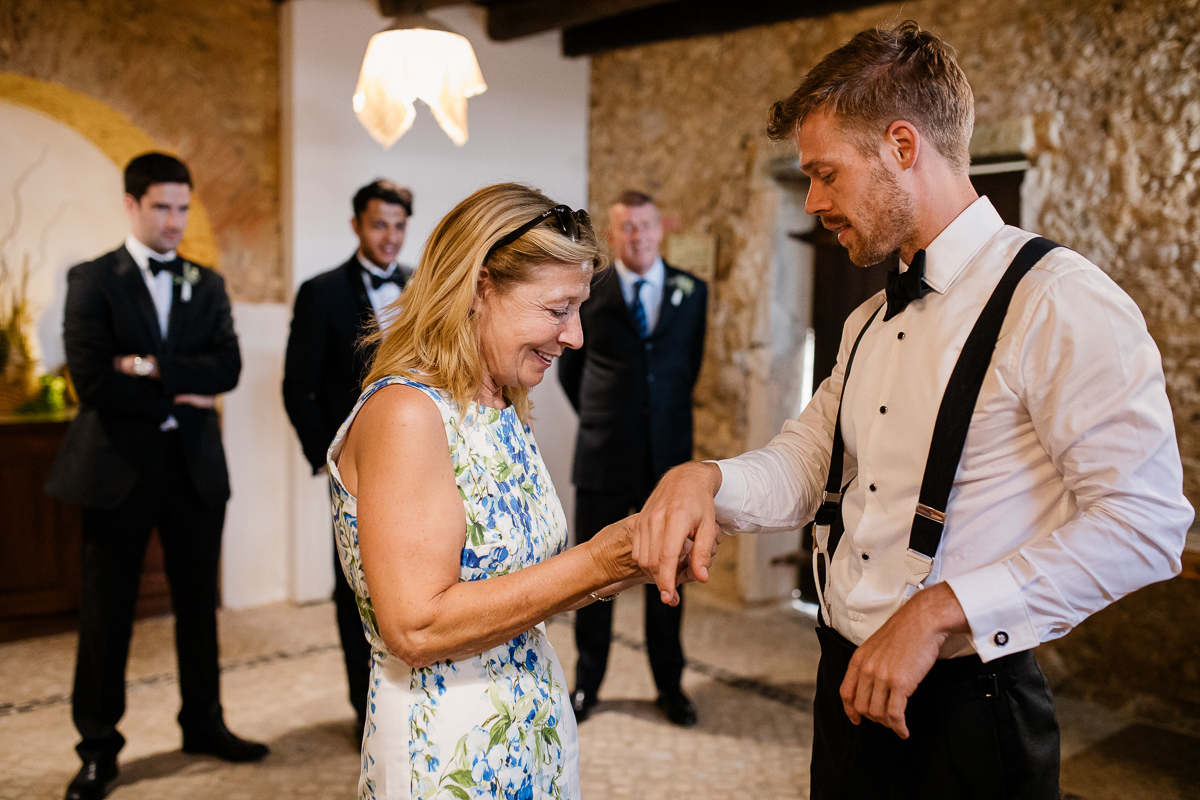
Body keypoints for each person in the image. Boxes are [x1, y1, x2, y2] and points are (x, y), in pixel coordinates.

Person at [632, 21, 1193, 800]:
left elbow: (1146, 524)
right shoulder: (866, 320)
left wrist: (939, 612)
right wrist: (708, 480)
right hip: (845, 686)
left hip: (970, 713)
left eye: (825, 174)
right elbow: (807, 461)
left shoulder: (1060, 299)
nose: (816, 202)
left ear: (902, 145)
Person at [328, 183, 697, 800]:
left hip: (532, 728)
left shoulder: (502, 405)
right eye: (557, 311)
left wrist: (644, 553)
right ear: (479, 287)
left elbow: (526, 584)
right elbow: (415, 627)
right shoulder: (408, 414)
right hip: (450, 749)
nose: (575, 336)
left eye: (579, 309)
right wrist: (600, 557)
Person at [45, 153, 268, 800]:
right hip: (116, 470)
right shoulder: (92, 279)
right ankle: (97, 749)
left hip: (194, 470)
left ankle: (204, 723)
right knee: (106, 613)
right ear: (131, 205)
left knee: (198, 608)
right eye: (161, 207)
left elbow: (226, 370)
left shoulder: (208, 281)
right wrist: (179, 383)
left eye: (181, 207)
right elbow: (91, 381)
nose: (174, 220)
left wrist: (144, 367)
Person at [556, 190, 707, 727]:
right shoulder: (589, 289)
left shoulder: (694, 291)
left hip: (668, 461)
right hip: (603, 456)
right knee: (592, 576)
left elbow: (686, 368)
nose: (637, 236)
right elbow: (572, 373)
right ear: (613, 235)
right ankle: (587, 686)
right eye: (626, 228)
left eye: (645, 226)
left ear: (660, 228)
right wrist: (608, 420)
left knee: (669, 578)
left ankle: (670, 687)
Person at [282, 179, 414, 731]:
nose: (390, 236)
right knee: (355, 587)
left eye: (399, 226)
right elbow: (298, 386)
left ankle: (413, 693)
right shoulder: (322, 292)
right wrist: (327, 459)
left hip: (420, 460)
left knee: (418, 577)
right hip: (356, 469)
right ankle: (365, 708)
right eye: (379, 224)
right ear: (357, 225)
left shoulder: (421, 287)